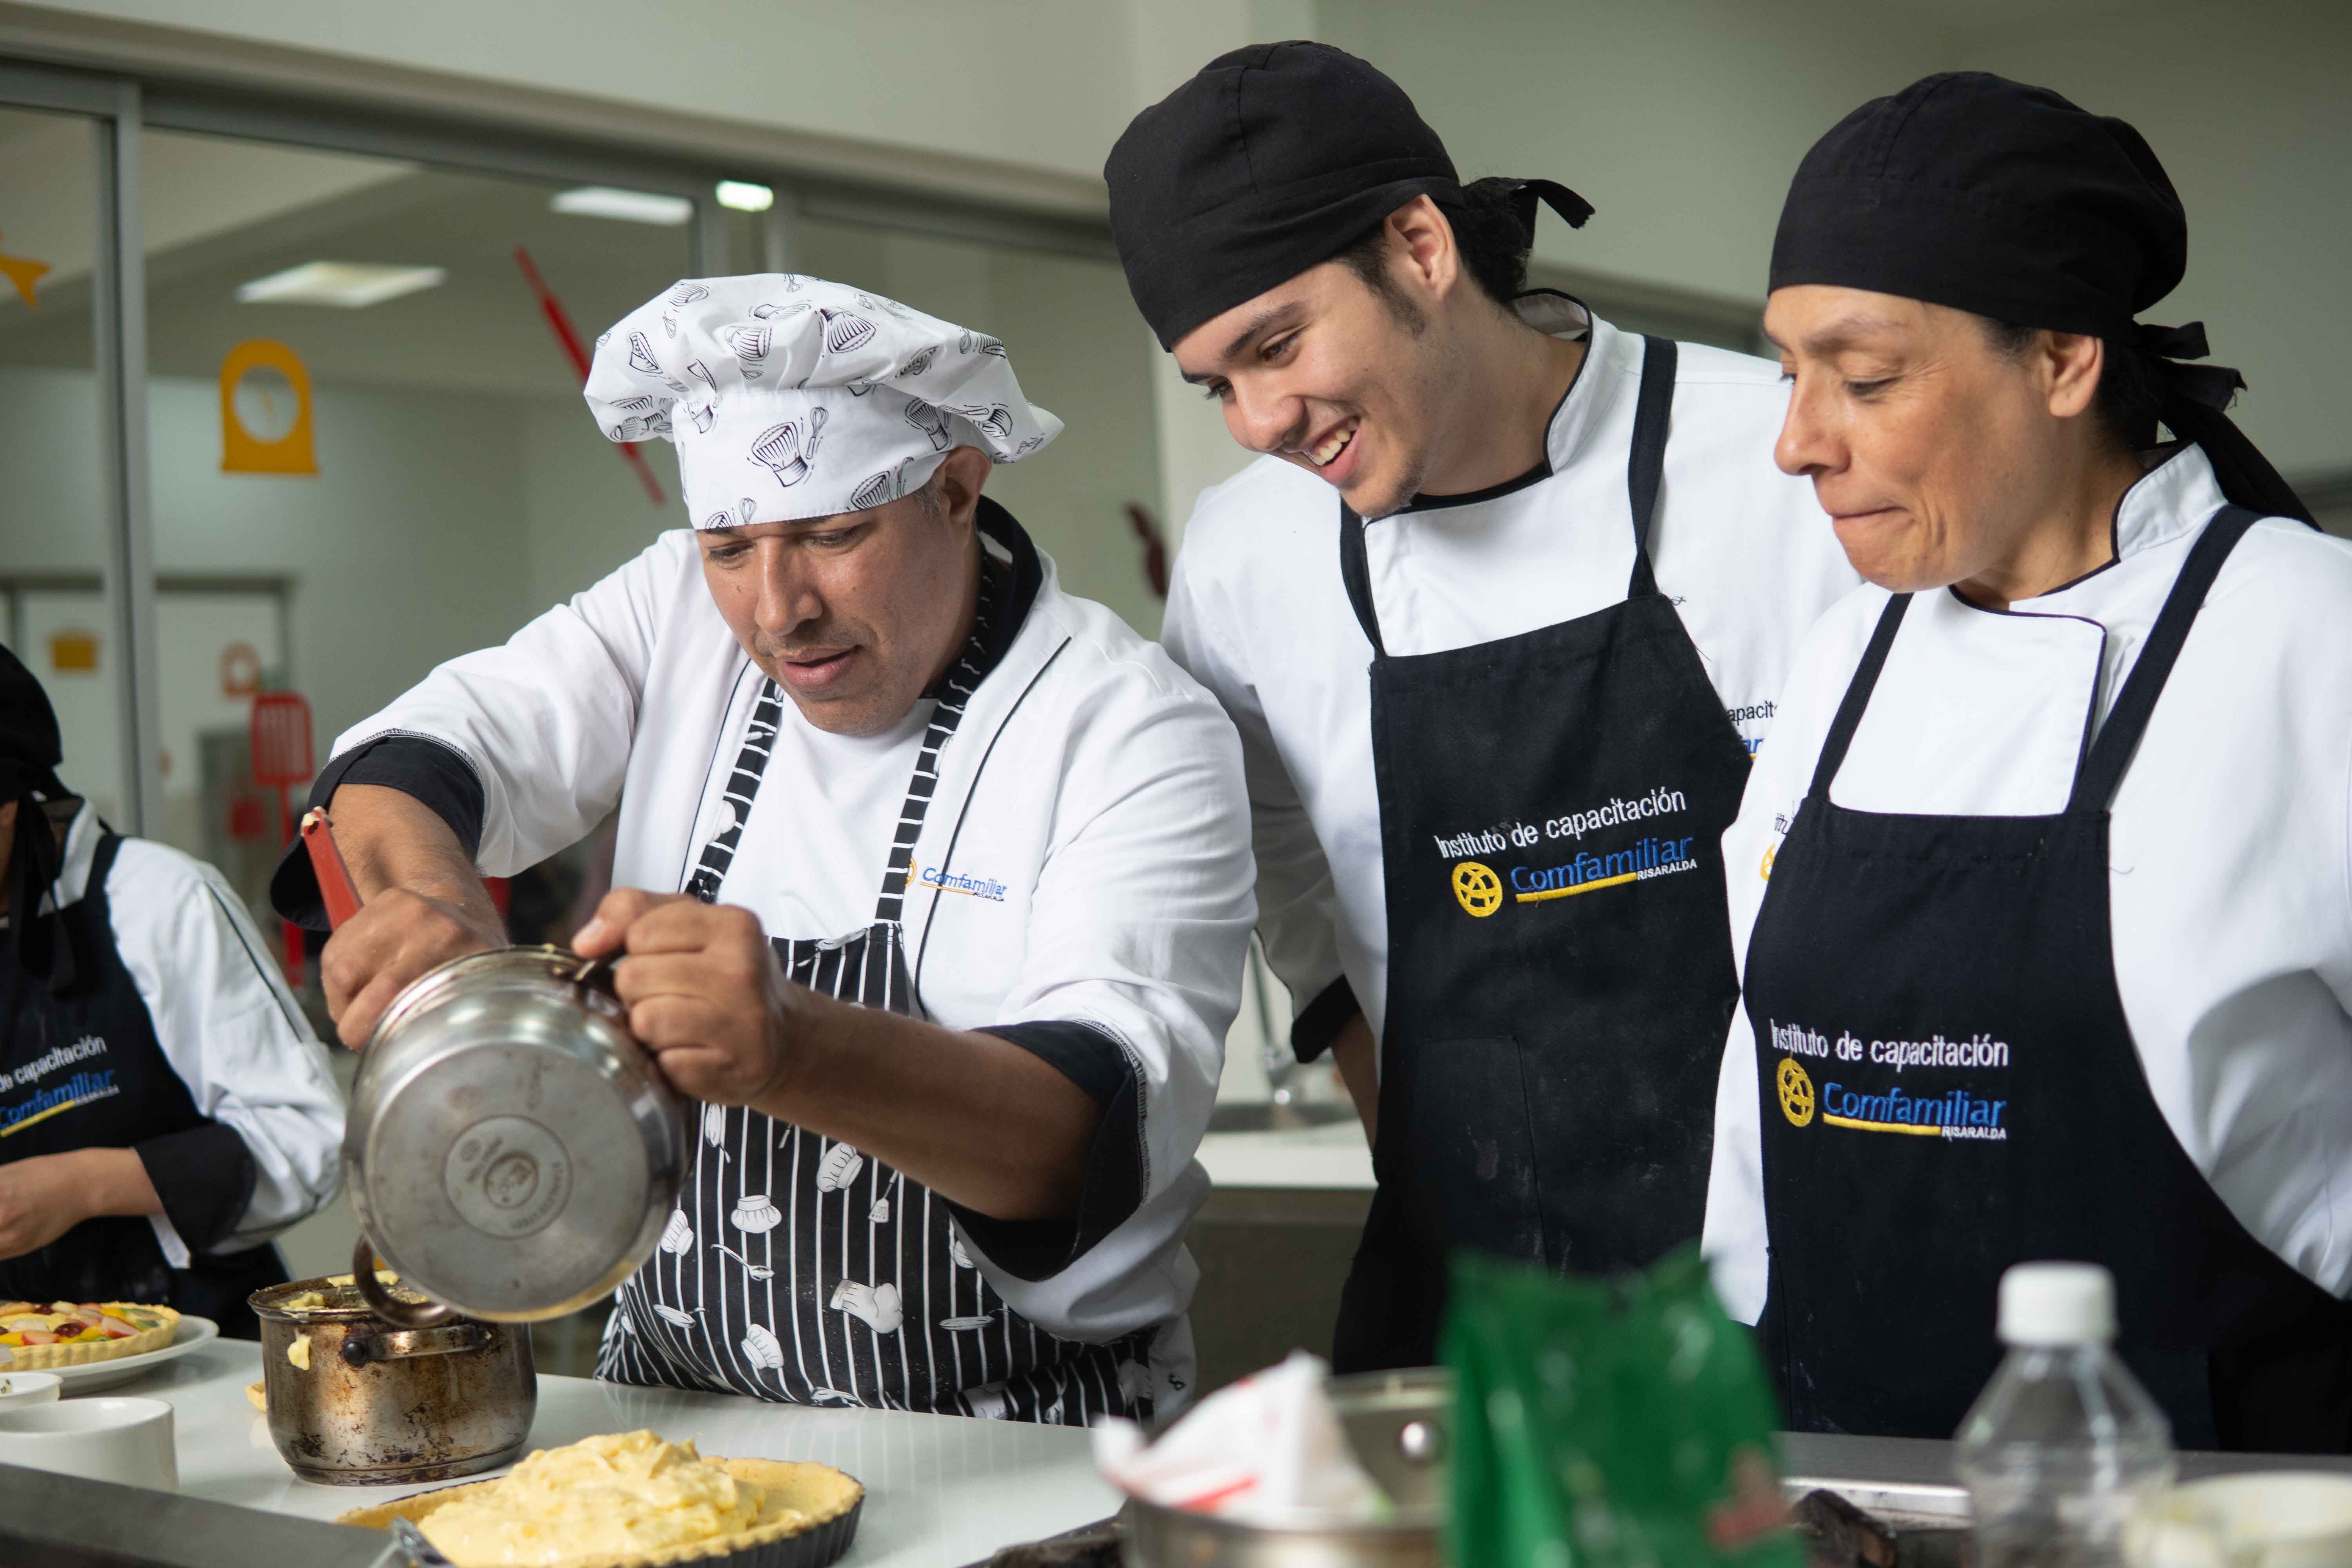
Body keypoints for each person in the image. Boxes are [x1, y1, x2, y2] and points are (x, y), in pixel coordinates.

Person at [270, 275, 1252, 1423]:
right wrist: (430, 914)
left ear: (956, 489)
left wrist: (794, 1046)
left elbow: (1082, 1143)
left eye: (833, 537)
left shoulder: (1127, 725)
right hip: (673, 1429)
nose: (777, 610)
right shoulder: (675, 614)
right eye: (729, 547)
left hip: (1015, 1434)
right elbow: (412, 756)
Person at [1103, 42, 1857, 1371]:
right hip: (1476, 1303)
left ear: (1419, 246)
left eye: (1277, 344)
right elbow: (1284, 877)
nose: (1258, 419)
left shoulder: (1781, 470)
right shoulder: (1246, 560)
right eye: (1217, 381)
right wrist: (1425, 1141)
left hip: (1794, 1285)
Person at [1702, 72, 2352, 1450]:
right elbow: (1755, 1129)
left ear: (2064, 362)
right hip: (1850, 1496)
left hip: (2226, 1509)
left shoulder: (2306, 634)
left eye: (1865, 379)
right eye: (1788, 372)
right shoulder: (1844, 663)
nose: (1796, 442)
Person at [0, 648, 342, 1338]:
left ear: (8, 801)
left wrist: (82, 1186)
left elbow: (310, 1142)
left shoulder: (158, 901)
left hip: (198, 1362)